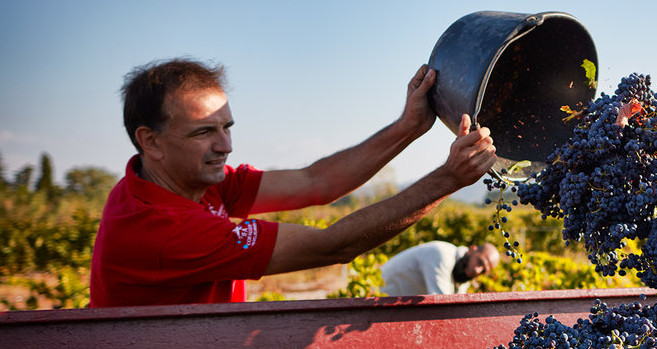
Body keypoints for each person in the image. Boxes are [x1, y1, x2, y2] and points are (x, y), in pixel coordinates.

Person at [88, 58, 496, 308]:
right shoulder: (161, 229)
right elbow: (335, 245)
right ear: (150, 141)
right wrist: (447, 179)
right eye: (203, 133)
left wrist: (408, 126)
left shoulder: (194, 180)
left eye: (227, 127)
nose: (225, 146)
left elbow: (315, 181)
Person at [379, 241, 501, 296]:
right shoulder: (441, 254)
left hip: (392, 311)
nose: (477, 270)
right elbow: (442, 306)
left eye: (483, 270)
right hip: (374, 301)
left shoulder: (462, 275)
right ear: (472, 249)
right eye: (480, 262)